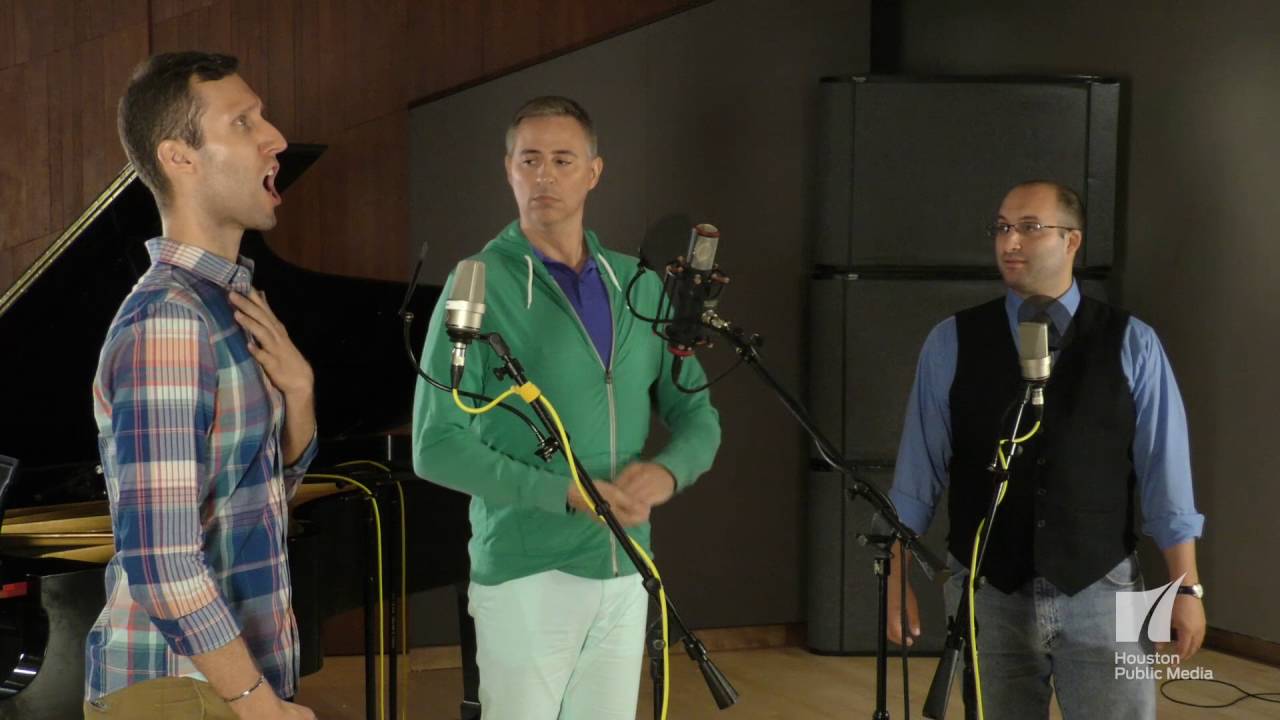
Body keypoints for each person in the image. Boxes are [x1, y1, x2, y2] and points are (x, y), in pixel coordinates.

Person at [412, 96, 722, 719]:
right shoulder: (476, 284)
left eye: (562, 159)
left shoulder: (640, 285)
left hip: (626, 567)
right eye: (529, 160)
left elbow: (698, 416)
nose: (544, 176)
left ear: (594, 172)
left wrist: (667, 472)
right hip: (526, 573)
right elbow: (435, 446)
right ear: (508, 170)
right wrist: (567, 493)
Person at [886, 180, 1206, 718]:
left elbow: (1166, 476)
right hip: (987, 592)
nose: (1010, 241)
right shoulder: (951, 341)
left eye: (1030, 228)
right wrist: (896, 576)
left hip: (1107, 588)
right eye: (1002, 228)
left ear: (1071, 240)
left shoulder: (1133, 342)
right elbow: (917, 476)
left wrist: (1187, 589)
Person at [85, 51, 317, 720]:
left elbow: (252, 503)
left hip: (219, 686)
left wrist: (299, 396)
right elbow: (163, 563)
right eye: (243, 122)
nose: (275, 137)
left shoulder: (220, 306)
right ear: (179, 157)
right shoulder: (169, 321)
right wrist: (257, 704)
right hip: (182, 691)